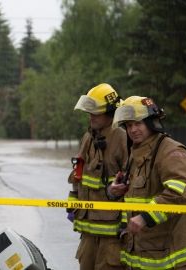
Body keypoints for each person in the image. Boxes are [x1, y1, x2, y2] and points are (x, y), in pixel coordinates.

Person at [109, 96, 186, 269]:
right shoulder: (135, 153)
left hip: (168, 262)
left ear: (151, 122)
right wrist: (114, 190)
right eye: (128, 125)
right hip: (139, 258)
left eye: (138, 123)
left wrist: (145, 217)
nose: (133, 130)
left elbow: (184, 191)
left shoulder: (171, 151)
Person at [67, 83, 128, 269]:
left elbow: (132, 185)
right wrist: (73, 202)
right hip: (87, 232)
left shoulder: (122, 137)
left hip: (112, 236)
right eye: (89, 112)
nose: (90, 116)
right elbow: (79, 175)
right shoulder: (89, 137)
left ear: (110, 112)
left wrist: (126, 225)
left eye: (95, 112)